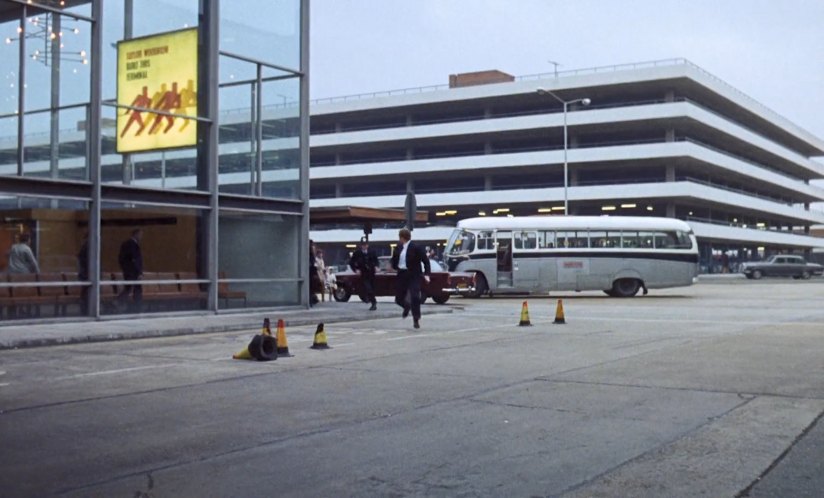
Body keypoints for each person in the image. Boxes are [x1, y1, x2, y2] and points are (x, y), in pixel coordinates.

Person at [391, 228, 431, 329]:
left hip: (414, 274)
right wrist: (393, 266)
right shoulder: (398, 247)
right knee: (398, 298)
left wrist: (427, 274)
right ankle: (406, 306)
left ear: (402, 237)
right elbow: (394, 259)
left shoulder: (415, 247)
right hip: (402, 274)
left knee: (415, 296)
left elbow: (425, 261)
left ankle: (416, 319)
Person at [349, 237, 379, 310]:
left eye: (365, 245)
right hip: (364, 273)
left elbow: (376, 260)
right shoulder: (357, 253)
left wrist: (376, 266)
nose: (364, 246)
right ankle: (373, 302)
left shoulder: (372, 252)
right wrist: (356, 270)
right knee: (367, 287)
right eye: (363, 245)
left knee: (372, 288)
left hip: (371, 272)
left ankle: (370, 300)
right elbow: (351, 262)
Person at [118, 229, 143, 312]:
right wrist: (139, 271)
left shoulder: (128, 244)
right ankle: (136, 307)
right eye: (140, 234)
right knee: (134, 288)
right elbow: (135, 259)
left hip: (129, 271)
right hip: (132, 272)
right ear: (135, 234)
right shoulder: (131, 245)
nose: (141, 236)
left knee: (130, 288)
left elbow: (122, 259)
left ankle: (122, 302)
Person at [77, 232, 90, 314]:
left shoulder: (86, 246)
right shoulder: (87, 247)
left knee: (85, 293)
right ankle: (85, 310)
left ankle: (85, 309)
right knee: (86, 293)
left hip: (86, 273)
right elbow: (83, 260)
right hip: (87, 274)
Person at [308, 240, 321, 306]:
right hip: (310, 273)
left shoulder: (312, 256)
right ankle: (311, 300)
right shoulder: (310, 255)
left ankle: (311, 300)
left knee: (311, 288)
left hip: (311, 273)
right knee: (310, 288)